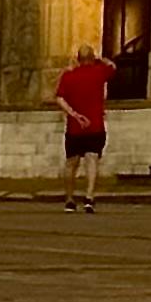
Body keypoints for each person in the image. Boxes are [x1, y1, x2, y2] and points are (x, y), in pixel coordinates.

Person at [53, 44, 116, 214]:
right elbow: (112, 66)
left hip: (75, 127)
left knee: (71, 163)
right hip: (95, 124)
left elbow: (59, 97)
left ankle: (69, 199)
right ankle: (89, 197)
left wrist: (73, 114)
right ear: (92, 58)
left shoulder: (69, 75)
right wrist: (100, 59)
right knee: (92, 160)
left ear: (78, 59)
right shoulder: (99, 72)